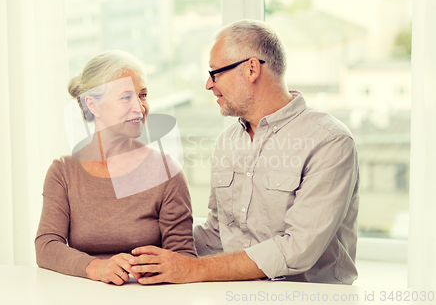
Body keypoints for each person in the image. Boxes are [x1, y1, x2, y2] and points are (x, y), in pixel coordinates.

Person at [129, 19, 360, 284]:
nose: (208, 84)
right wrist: (140, 241)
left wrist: (193, 270)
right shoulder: (227, 140)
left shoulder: (329, 141)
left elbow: (298, 249)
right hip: (237, 294)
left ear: (251, 69)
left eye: (215, 73)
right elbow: (218, 235)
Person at [35, 50, 196, 286]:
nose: (140, 108)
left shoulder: (166, 170)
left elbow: (183, 259)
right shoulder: (63, 173)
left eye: (143, 95)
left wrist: (148, 270)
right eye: (126, 97)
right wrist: (96, 267)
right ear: (93, 104)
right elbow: (47, 246)